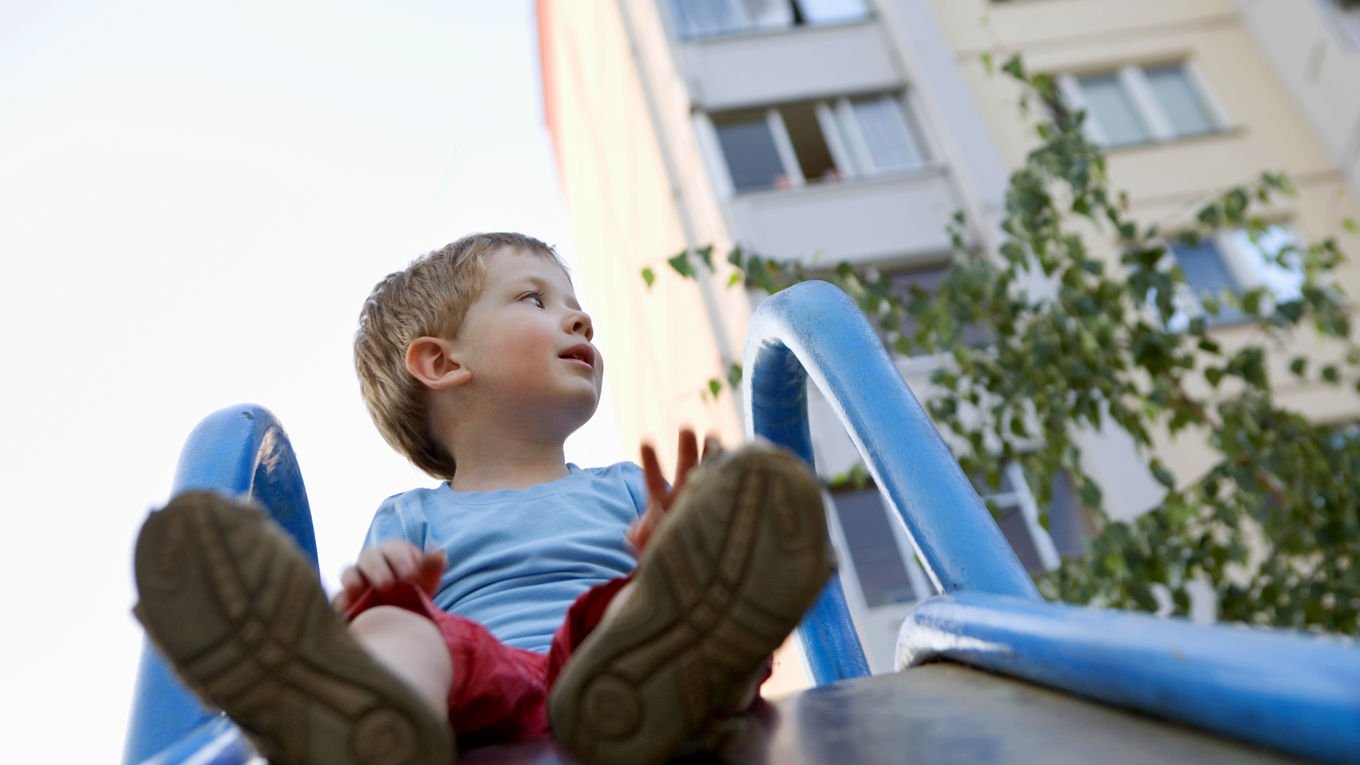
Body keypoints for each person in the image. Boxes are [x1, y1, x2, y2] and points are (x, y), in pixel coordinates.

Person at [133, 232, 834, 765]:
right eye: (536, 299)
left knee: (645, 603)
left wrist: (677, 550)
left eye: (578, 306)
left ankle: (679, 666)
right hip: (473, 692)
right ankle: (366, 720)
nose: (580, 320)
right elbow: (385, 596)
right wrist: (382, 585)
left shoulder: (624, 484)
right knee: (400, 626)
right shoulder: (413, 515)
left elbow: (650, 576)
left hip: (608, 662)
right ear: (442, 363)